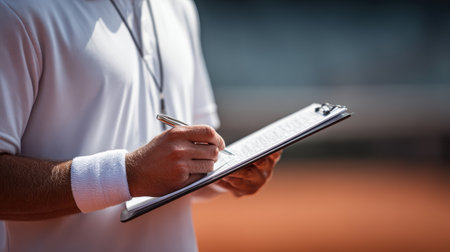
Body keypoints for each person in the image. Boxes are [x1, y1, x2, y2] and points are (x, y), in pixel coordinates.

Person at [0, 0, 281, 251]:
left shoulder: (178, 6)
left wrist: (227, 173)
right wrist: (128, 174)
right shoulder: (15, 11)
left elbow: (188, 164)